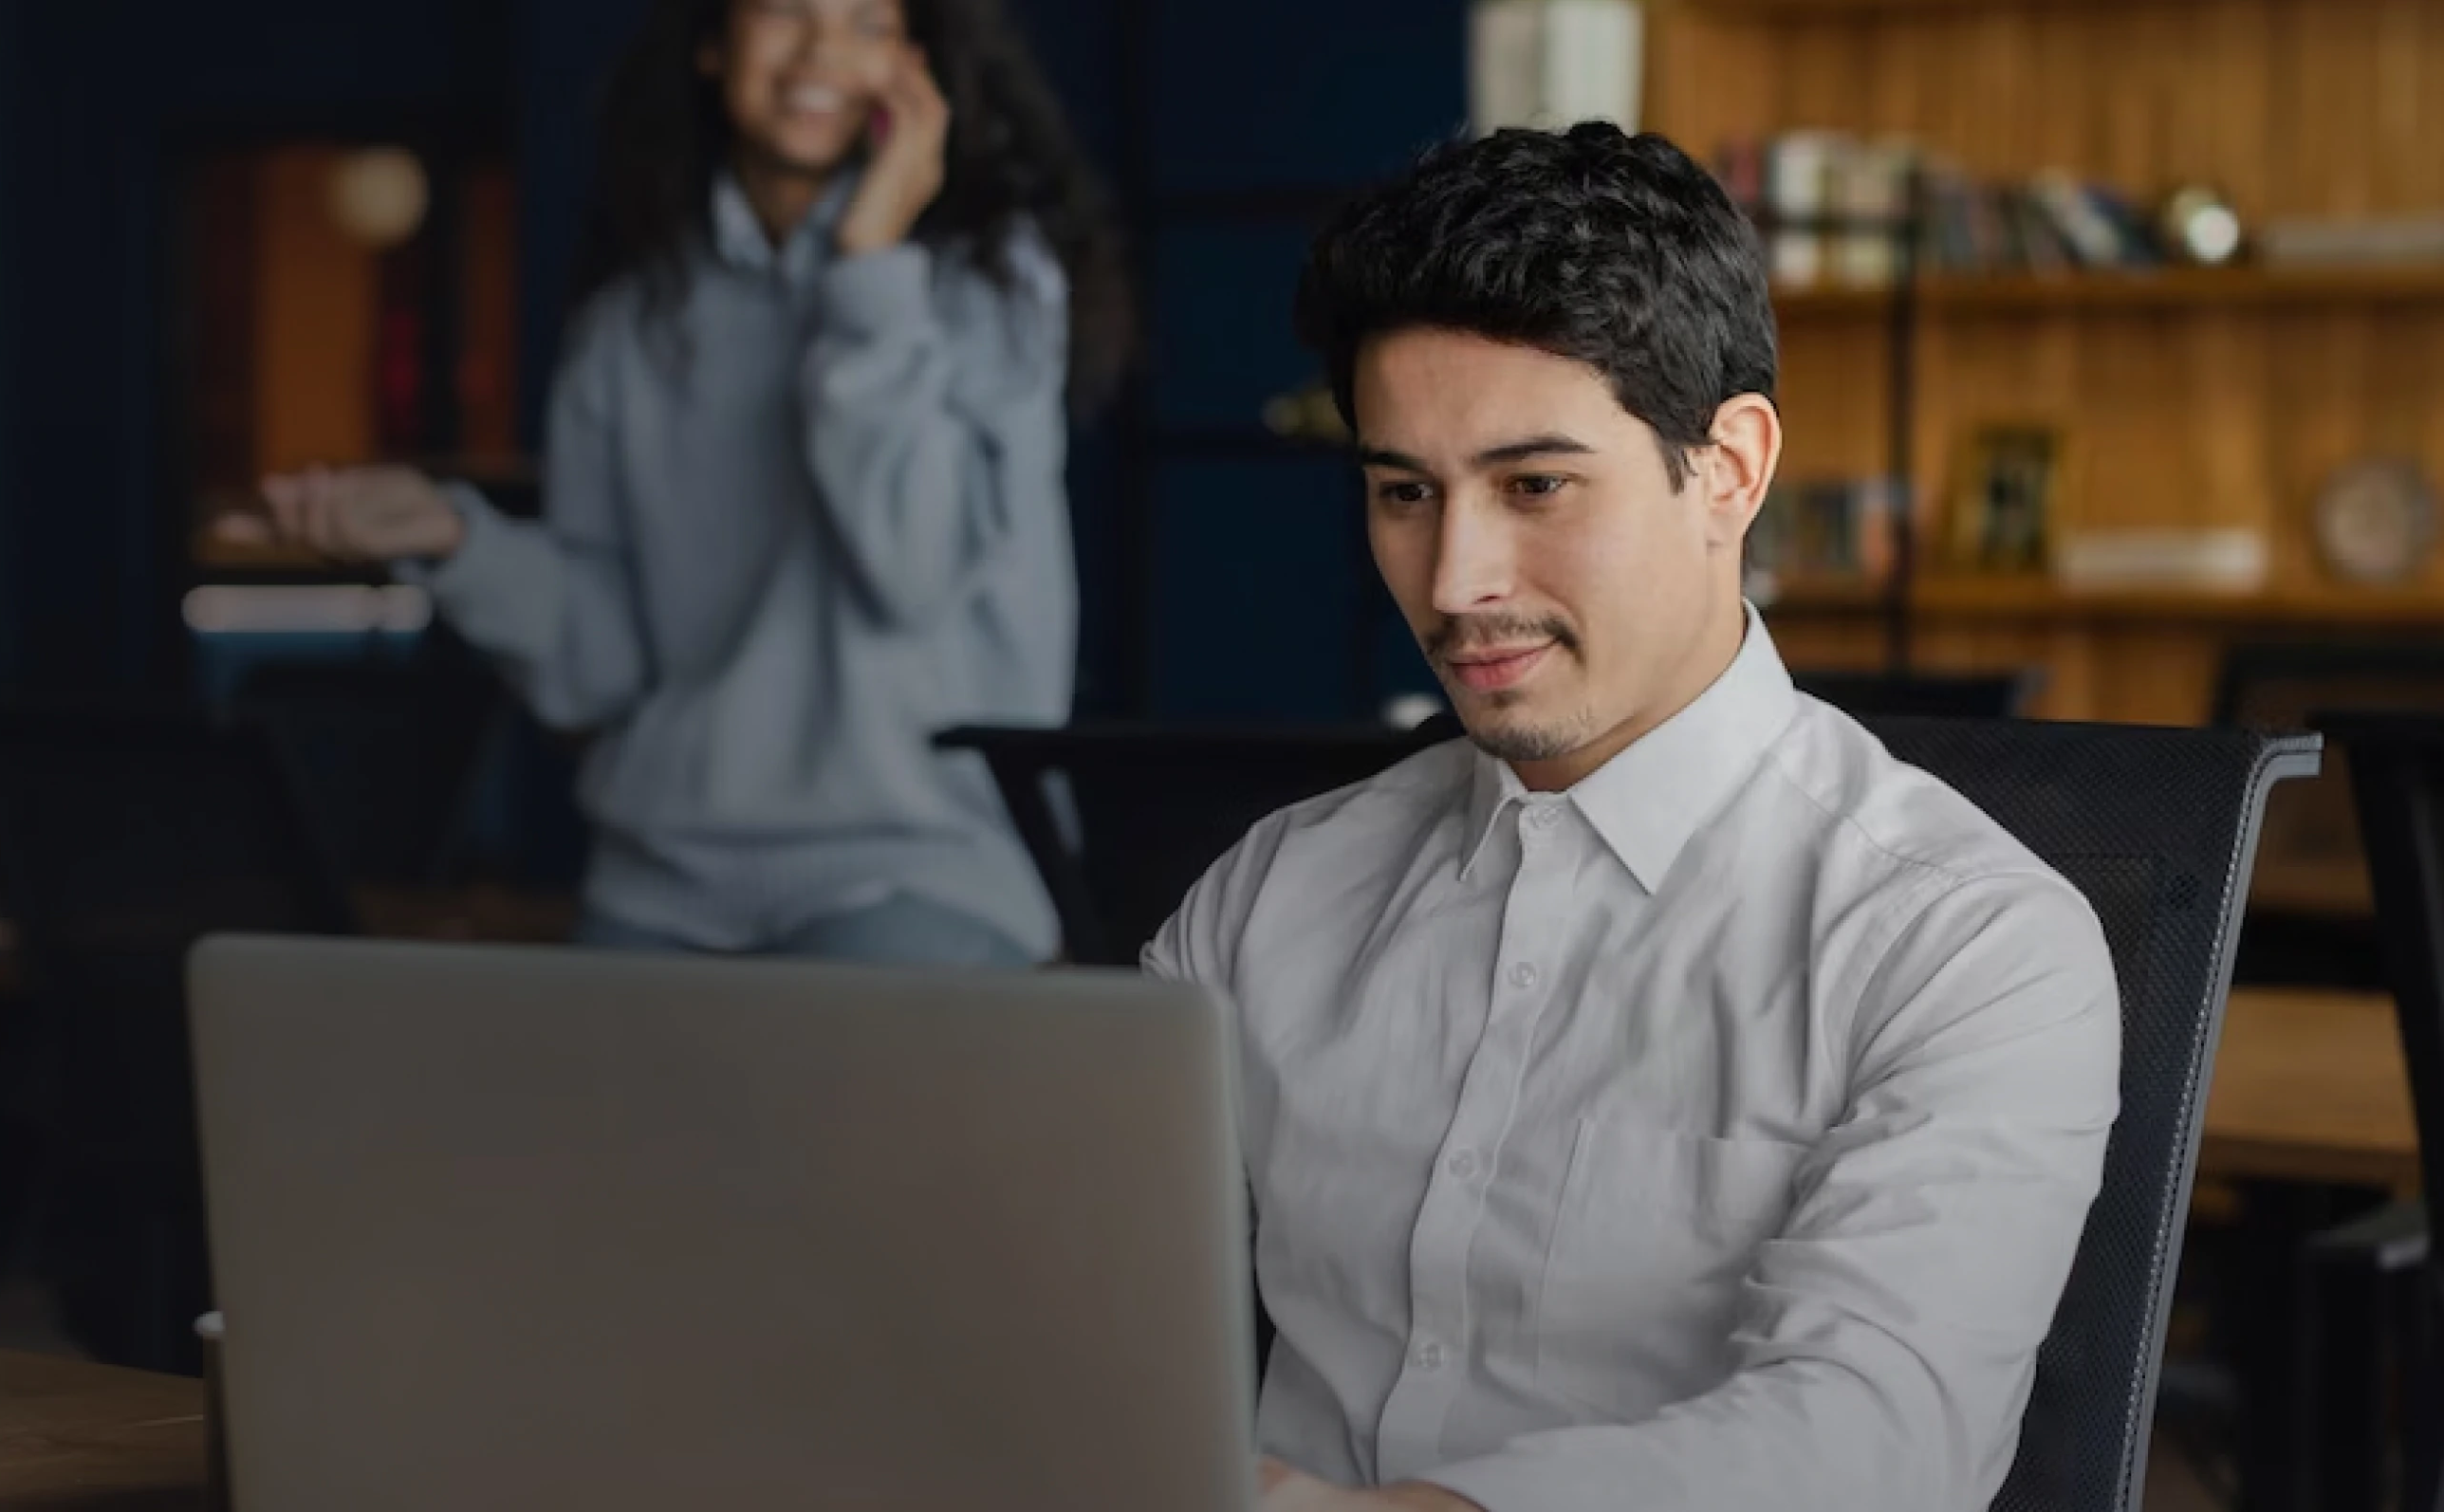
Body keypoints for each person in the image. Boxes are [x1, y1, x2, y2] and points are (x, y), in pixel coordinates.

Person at [1149, 124, 2120, 1511]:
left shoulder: (1966, 944)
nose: (1456, 578)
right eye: (1402, 493)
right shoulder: (1275, 892)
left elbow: (1870, 1447)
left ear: (1727, 466)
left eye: (1534, 484)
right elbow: (1052, 1274)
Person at [225, 0, 1127, 967]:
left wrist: (869, 265)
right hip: (660, 880)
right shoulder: (629, 328)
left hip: (923, 869)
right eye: (786, 12)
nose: (821, 50)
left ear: (916, 69)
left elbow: (910, 568)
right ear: (711, 43)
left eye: (866, 21)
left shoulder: (984, 287)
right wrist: (454, 540)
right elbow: (602, 664)